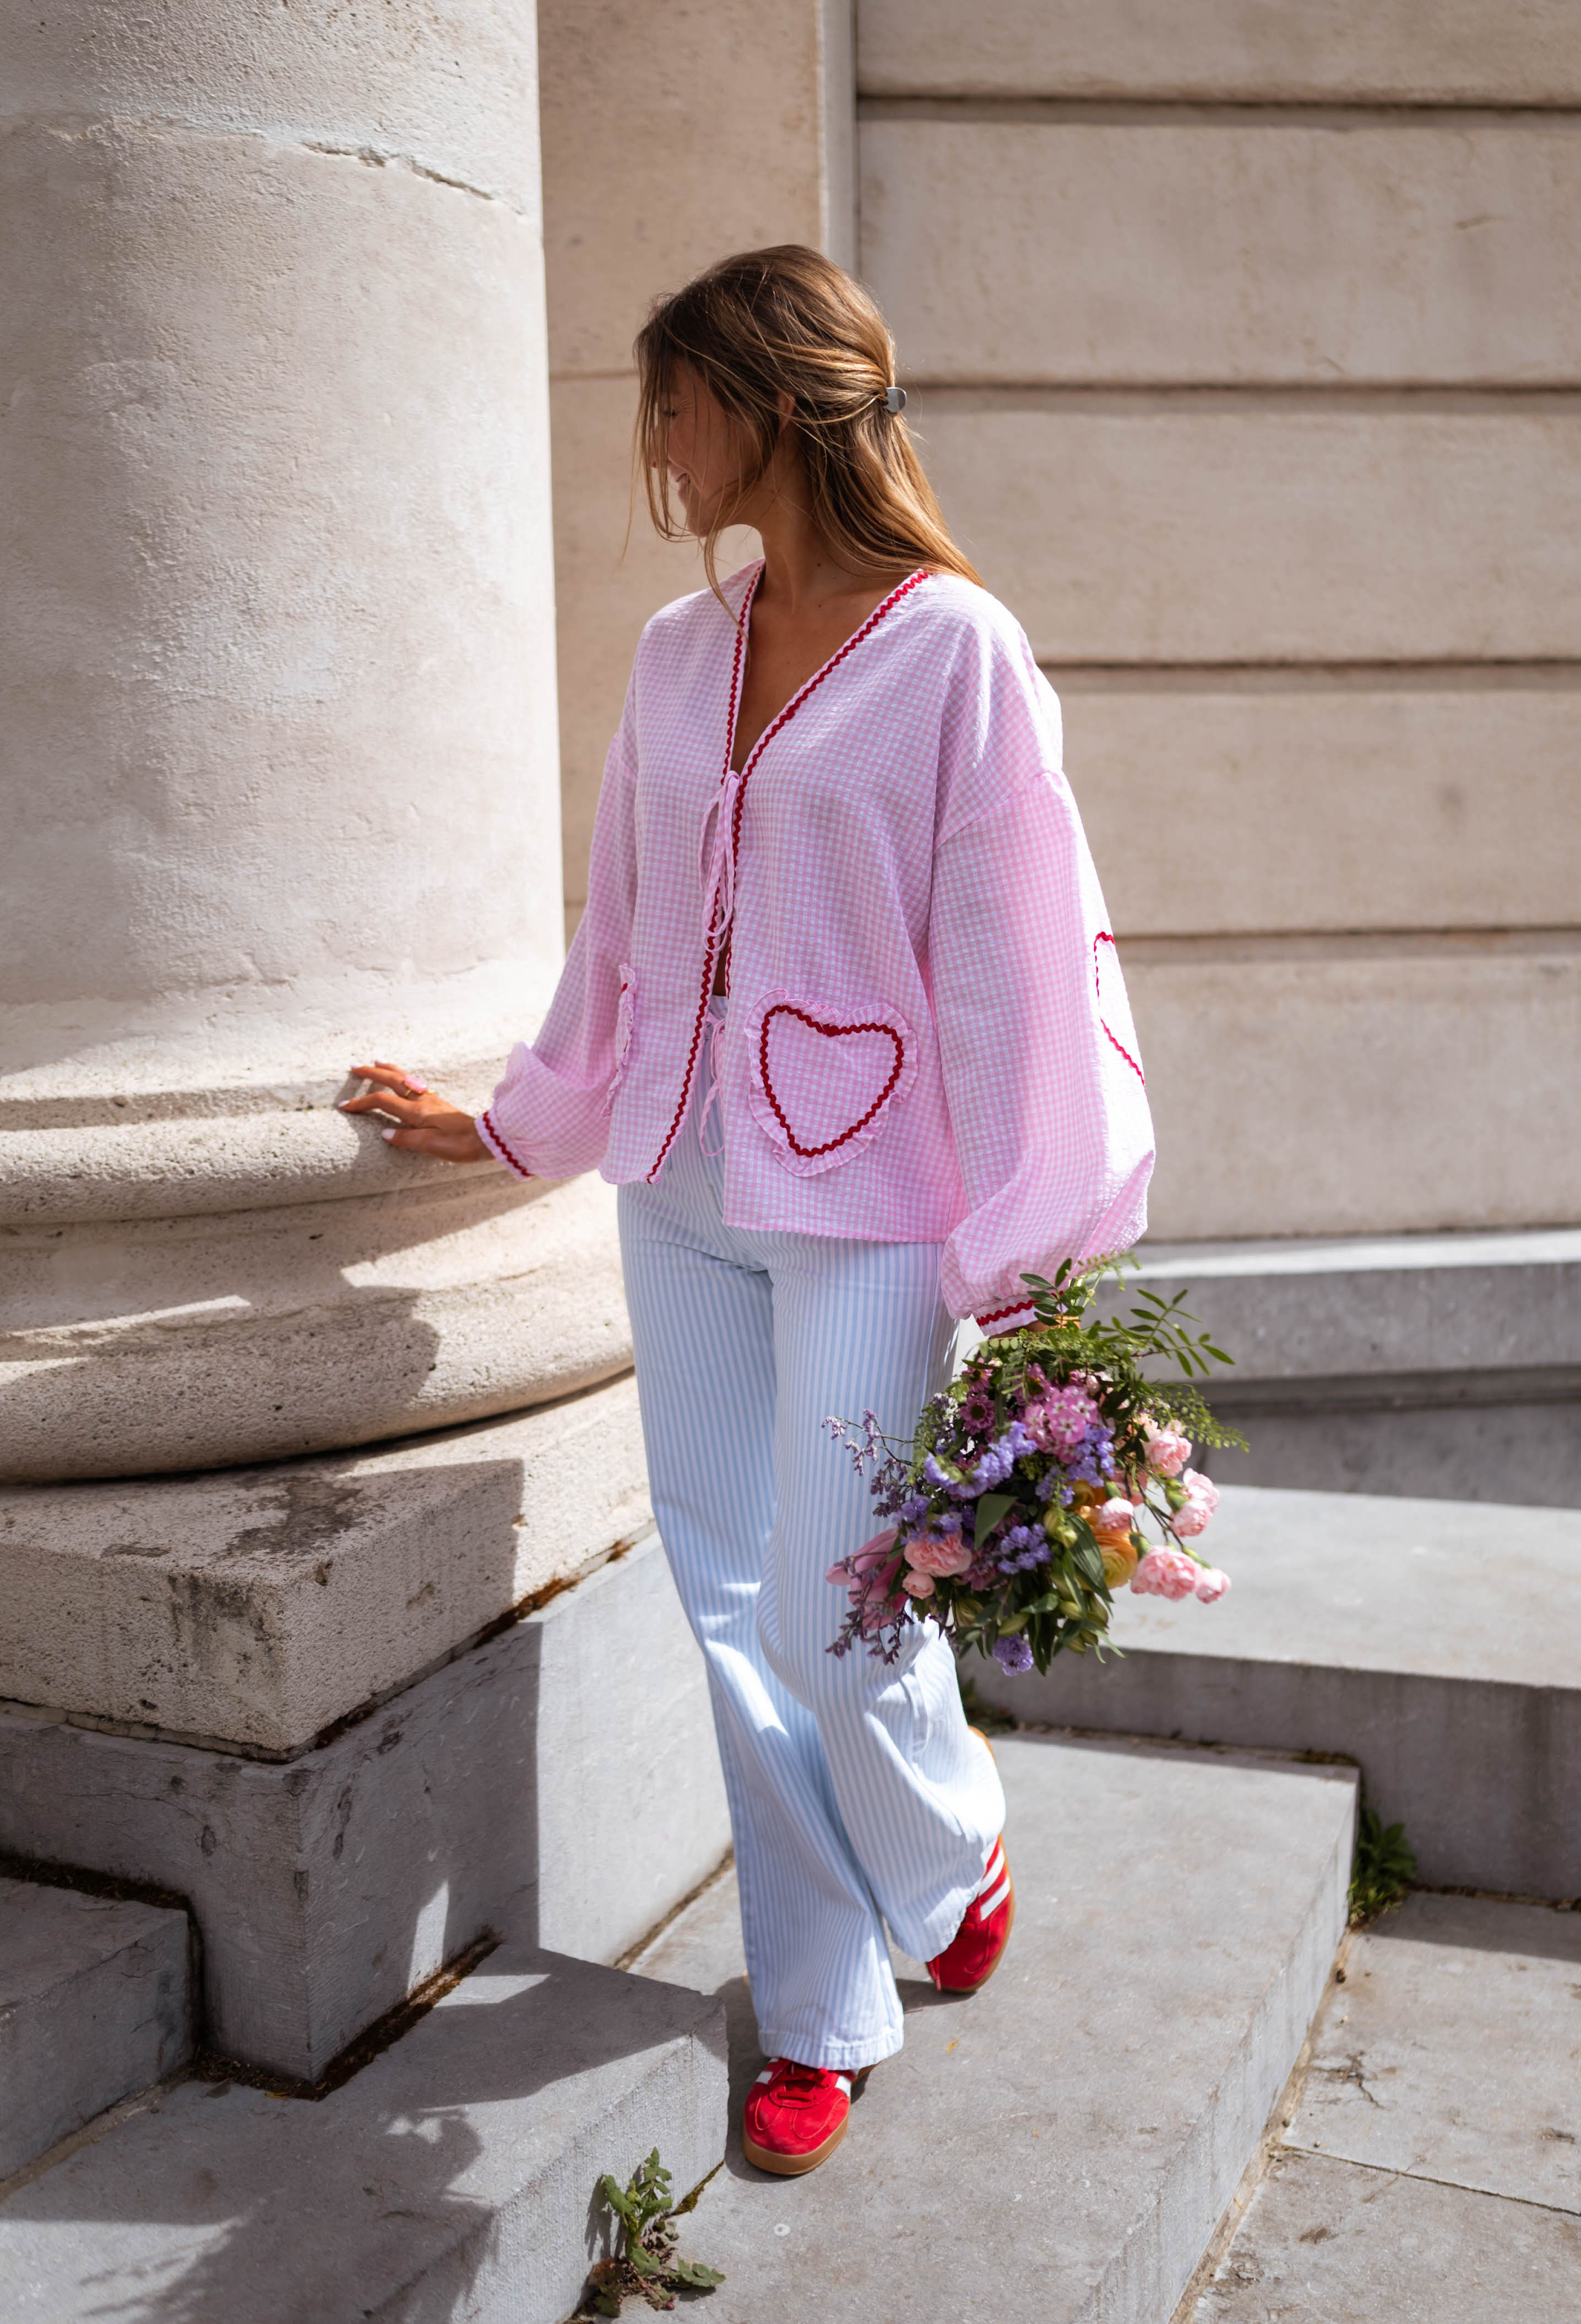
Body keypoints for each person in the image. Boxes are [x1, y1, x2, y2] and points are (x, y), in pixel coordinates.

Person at [343, 245, 1154, 2176]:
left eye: (675, 403)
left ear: (766, 411)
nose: (655, 444)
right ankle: (818, 2007)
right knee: (725, 1601)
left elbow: (1016, 959)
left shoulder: (957, 654)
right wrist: (526, 1119)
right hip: (685, 1172)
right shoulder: (674, 654)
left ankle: (949, 1849)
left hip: (874, 1196)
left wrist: (1034, 1257)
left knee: (834, 1601)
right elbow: (622, 925)